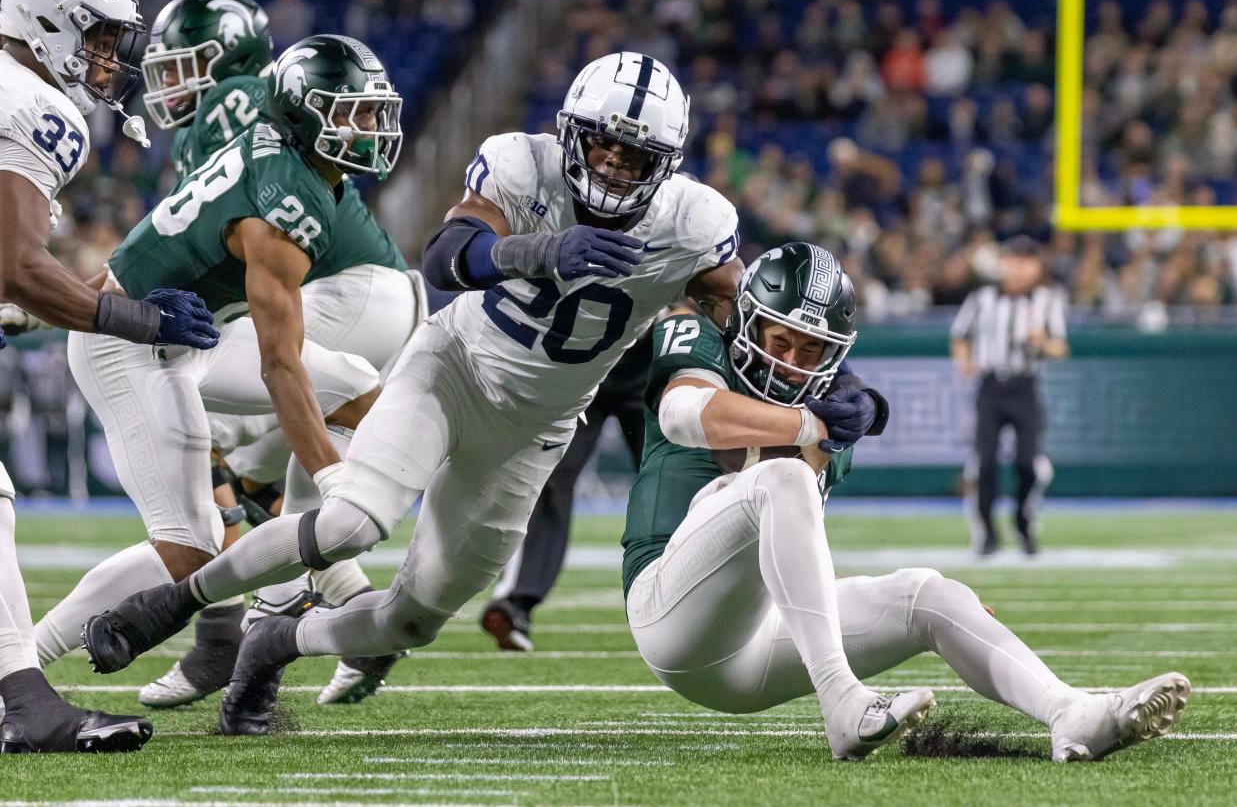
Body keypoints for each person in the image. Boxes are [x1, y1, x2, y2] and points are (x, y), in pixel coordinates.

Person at [82, 52, 744, 738]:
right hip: (450, 370)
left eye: (634, 156)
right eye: (602, 142)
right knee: (350, 523)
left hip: (533, 434)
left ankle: (274, 642)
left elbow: (744, 328)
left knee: (411, 620)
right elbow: (447, 253)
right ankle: (171, 603)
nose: (611, 165)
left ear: (665, 164)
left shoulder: (692, 223)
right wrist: (541, 251)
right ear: (570, 131)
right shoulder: (523, 163)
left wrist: (813, 392)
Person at [626, 243, 1189, 762]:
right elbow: (684, 415)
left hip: (755, 641)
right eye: (779, 341)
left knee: (931, 595)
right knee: (783, 478)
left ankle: (1073, 712)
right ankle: (844, 702)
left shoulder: (833, 420)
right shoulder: (699, 336)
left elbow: (783, 547)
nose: (791, 361)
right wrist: (808, 423)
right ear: (746, 324)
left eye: (810, 348)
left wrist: (822, 432)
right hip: (667, 609)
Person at [32, 36, 402, 695]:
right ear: (305, 115)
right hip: (128, 345)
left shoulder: (282, 144)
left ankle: (300, 576)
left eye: (371, 112)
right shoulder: (283, 204)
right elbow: (279, 367)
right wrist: (339, 484)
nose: (368, 127)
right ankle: (23, 663)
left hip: (188, 334)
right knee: (190, 546)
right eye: (352, 111)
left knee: (354, 387)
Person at [132, 0, 426, 710]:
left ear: (229, 58)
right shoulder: (243, 117)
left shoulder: (233, 100)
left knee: (187, 410)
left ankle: (231, 630)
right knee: (264, 473)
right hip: (375, 297)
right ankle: (353, 617)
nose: (170, 86)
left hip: (346, 293)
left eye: (183, 66)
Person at [0, 0, 220, 752]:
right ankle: (24, 704)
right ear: (49, 19)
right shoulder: (31, 104)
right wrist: (138, 318)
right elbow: (19, 267)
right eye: (96, 37)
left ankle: (22, 700)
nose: (105, 60)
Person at [482, 332, 650, 652]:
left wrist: (683, 309)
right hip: (585, 365)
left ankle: (697, 598)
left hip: (650, 365)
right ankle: (514, 602)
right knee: (547, 475)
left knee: (673, 481)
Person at [950, 235, 1067, 555]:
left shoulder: (1047, 300)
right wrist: (964, 361)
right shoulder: (982, 298)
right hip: (991, 387)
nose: (1017, 269)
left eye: (1025, 262)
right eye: (1012, 261)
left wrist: (1041, 341)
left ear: (1036, 267)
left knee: (1028, 463)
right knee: (985, 462)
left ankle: (1022, 522)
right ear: (1002, 263)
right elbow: (960, 335)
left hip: (1025, 387)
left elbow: (1060, 347)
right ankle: (987, 532)